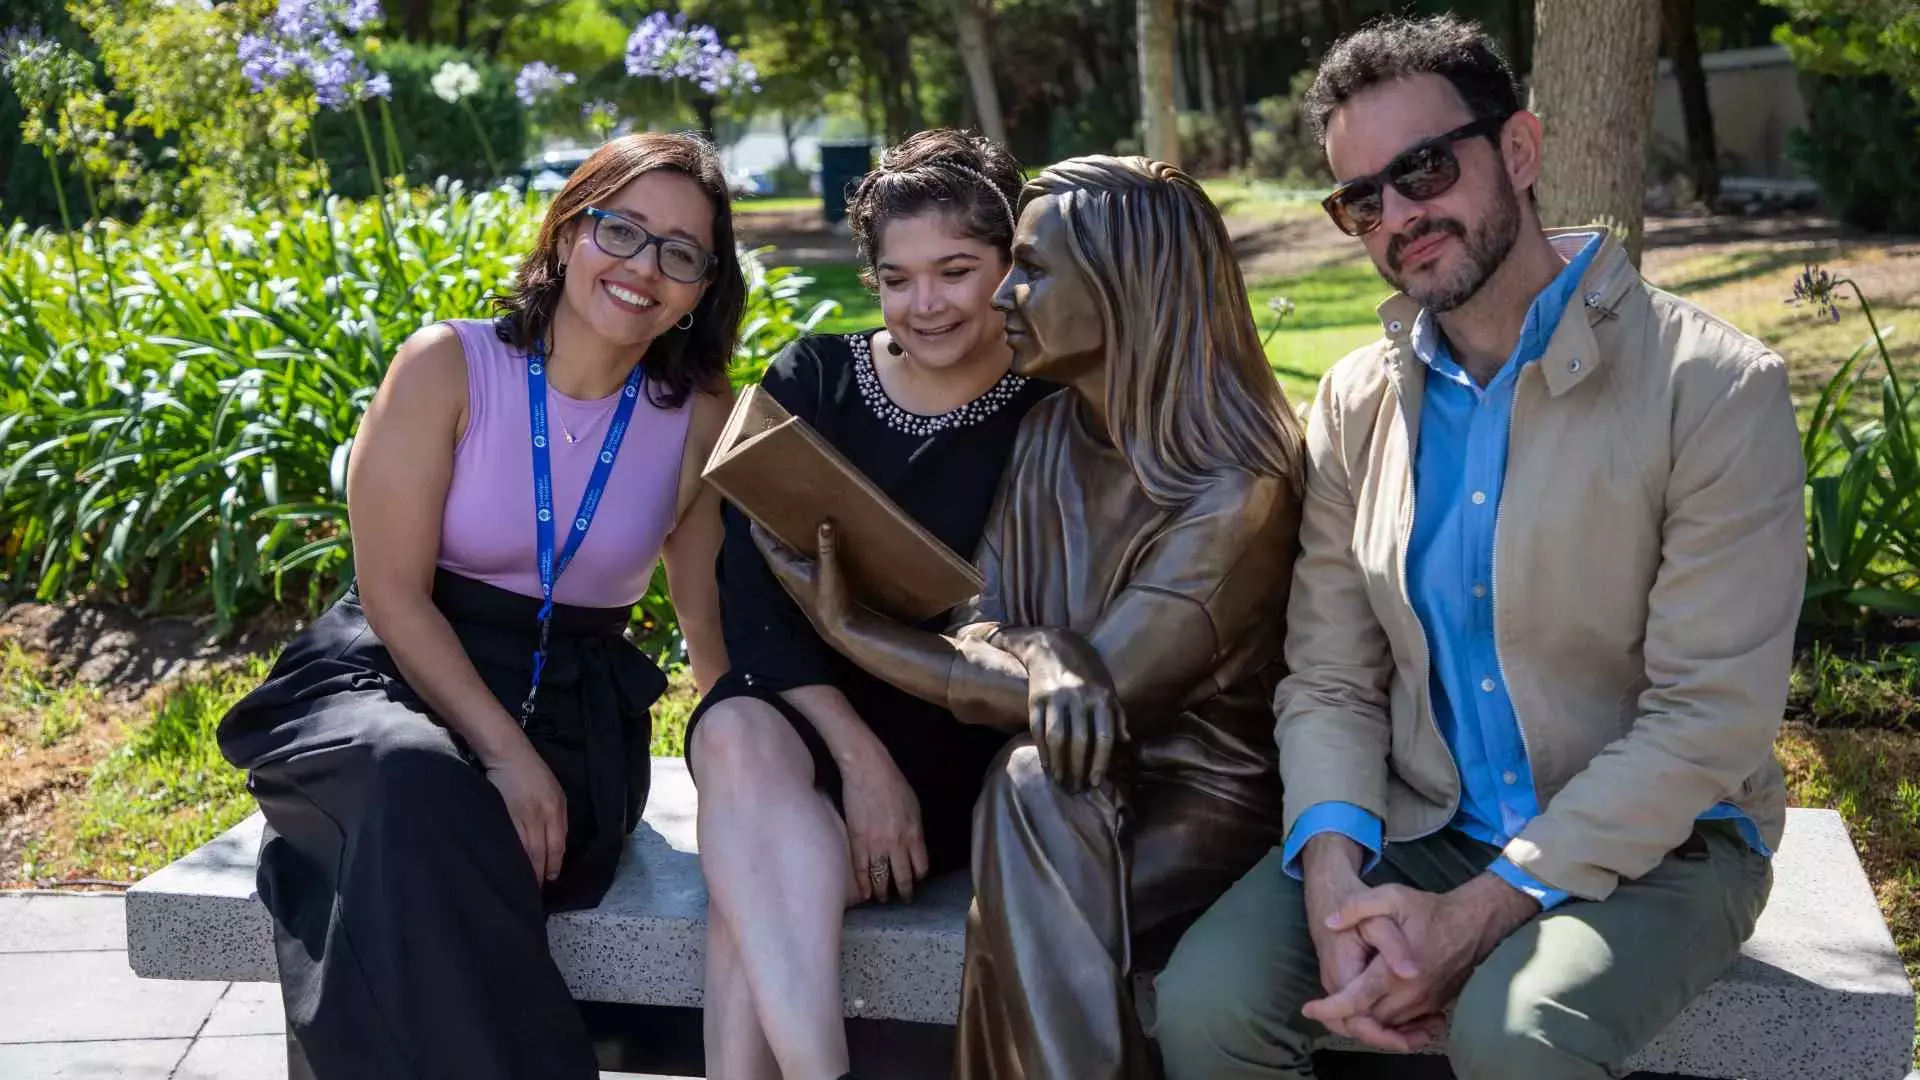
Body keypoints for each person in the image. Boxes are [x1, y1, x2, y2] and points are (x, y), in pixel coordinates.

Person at [1152, 16, 1805, 1080]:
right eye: (1363, 199)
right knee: (1209, 1004)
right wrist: (1332, 880)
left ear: (1520, 151)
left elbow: (1708, 716)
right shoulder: (1357, 404)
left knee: (1517, 1035)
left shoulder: (1715, 390)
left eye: (1423, 169)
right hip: (1428, 815)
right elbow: (1328, 675)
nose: (1399, 216)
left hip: (1671, 841)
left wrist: (1478, 915)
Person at [757, 155, 1306, 1080]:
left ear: (1127, 283)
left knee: (1030, 788)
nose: (1003, 294)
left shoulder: (1234, 487)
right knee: (1034, 790)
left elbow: (1096, 701)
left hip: (1203, 796)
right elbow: (986, 620)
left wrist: (856, 631)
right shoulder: (1052, 433)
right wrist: (1049, 649)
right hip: (1071, 786)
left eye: (1032, 269)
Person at [216, 131, 745, 1080]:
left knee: (417, 842)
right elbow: (389, 591)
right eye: (620, 231)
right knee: (412, 777)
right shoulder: (448, 366)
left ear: (703, 287)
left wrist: (748, 781)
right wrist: (504, 757)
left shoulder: (700, 417)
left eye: (680, 253)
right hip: (390, 669)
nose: (642, 268)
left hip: (574, 712)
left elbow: (705, 624)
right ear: (567, 232)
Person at [685, 128, 1055, 1080]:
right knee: (732, 737)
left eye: (956, 270)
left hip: (948, 723)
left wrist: (893, 768)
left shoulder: (1047, 410)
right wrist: (859, 763)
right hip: (798, 708)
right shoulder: (812, 376)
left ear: (1012, 264)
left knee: (749, 889)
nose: (923, 304)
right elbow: (750, 593)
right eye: (897, 278)